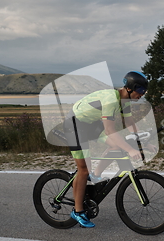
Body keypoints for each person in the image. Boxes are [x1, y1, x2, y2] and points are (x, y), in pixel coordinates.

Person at [64, 71, 149, 228]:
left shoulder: (125, 101)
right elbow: (109, 131)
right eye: (141, 91)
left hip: (90, 123)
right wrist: (130, 150)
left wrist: (139, 142)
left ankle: (95, 176)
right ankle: (77, 211)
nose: (142, 95)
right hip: (75, 125)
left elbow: (129, 122)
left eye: (145, 91)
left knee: (116, 145)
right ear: (130, 88)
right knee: (83, 169)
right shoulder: (111, 100)